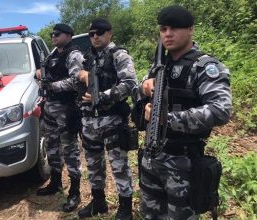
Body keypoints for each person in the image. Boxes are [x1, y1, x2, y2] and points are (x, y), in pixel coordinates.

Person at [138, 5, 232, 219]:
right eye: (163, 29)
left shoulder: (205, 66)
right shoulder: (159, 66)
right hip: (152, 156)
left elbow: (220, 110)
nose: (168, 34)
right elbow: (137, 89)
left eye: (175, 28)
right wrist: (143, 87)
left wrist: (167, 119)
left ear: (190, 30)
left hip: (183, 162)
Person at [77, 18, 139, 219]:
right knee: (93, 165)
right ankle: (99, 202)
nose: (95, 36)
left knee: (119, 166)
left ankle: (125, 207)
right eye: (92, 34)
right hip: (90, 120)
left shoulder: (118, 55)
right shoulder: (88, 57)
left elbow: (130, 84)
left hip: (112, 119)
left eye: (100, 32)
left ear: (110, 33)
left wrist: (103, 96)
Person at [35, 23, 84, 212]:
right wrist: (39, 74)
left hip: (67, 108)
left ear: (69, 36)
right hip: (50, 108)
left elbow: (76, 81)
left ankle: (75, 192)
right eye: (52, 34)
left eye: (57, 34)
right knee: (52, 147)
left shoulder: (74, 55)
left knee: (70, 149)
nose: (53, 36)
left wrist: (52, 86)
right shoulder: (52, 55)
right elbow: (43, 74)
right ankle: (55, 183)